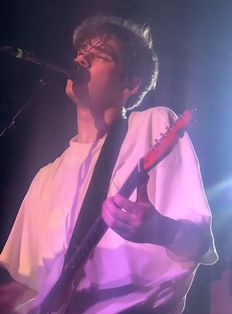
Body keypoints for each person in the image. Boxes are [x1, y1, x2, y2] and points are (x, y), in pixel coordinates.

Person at [0, 15, 217, 314]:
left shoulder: (153, 127)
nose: (81, 58)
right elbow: (31, 283)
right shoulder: (45, 178)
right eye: (80, 52)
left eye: (99, 55)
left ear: (130, 84)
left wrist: (162, 231)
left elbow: (200, 243)